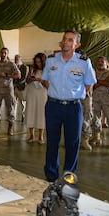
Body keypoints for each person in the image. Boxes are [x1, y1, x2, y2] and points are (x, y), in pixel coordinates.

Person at [42, 31, 96, 182]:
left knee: (73, 143)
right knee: (52, 141)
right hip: (53, 105)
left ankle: (69, 178)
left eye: (70, 40)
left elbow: (89, 83)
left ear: (76, 45)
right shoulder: (51, 60)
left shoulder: (84, 62)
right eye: (64, 39)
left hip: (73, 107)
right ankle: (51, 176)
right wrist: (57, 93)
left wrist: (75, 94)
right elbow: (45, 80)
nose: (65, 42)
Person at [0, 47, 21, 135]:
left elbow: (18, 75)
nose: (3, 55)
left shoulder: (11, 64)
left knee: (10, 108)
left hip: (8, 90)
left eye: (5, 53)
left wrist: (7, 75)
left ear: (7, 54)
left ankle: (10, 128)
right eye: (2, 53)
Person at [25, 53, 47, 144]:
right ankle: (31, 135)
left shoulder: (47, 70)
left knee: (41, 113)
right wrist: (31, 77)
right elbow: (27, 80)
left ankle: (41, 136)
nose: (38, 64)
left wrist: (41, 81)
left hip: (42, 93)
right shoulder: (32, 69)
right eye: (36, 62)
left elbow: (49, 84)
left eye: (39, 62)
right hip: (32, 92)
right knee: (31, 112)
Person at [13, 54, 29, 122]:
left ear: (20, 59)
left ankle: (23, 115)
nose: (16, 60)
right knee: (13, 102)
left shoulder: (25, 67)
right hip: (13, 88)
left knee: (22, 103)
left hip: (21, 87)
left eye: (17, 59)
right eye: (15, 59)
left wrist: (16, 84)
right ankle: (13, 116)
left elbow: (24, 78)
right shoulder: (14, 67)